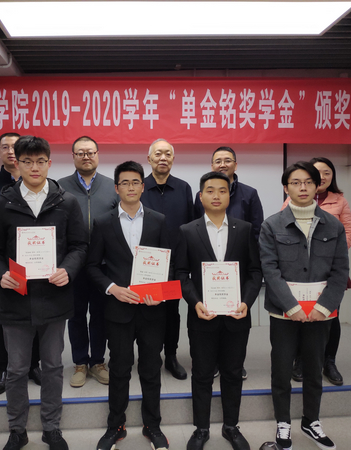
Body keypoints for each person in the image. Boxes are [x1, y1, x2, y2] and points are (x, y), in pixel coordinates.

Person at [0, 136, 88, 450]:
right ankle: (17, 429)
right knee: (16, 369)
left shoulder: (66, 202)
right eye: (27, 161)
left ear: (49, 163)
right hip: (16, 298)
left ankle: (51, 427)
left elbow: (80, 245)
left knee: (53, 367)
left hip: (54, 298)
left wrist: (68, 269)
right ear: (18, 163)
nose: (34, 167)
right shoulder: (2, 204)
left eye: (41, 161)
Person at [259, 161, 349, 450]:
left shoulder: (333, 225)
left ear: (317, 186)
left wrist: (324, 307)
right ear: (286, 188)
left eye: (309, 182)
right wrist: (291, 306)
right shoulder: (271, 225)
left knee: (313, 367)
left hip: (320, 313)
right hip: (284, 312)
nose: (303, 187)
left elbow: (340, 271)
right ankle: (283, 422)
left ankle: (311, 421)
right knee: (281, 368)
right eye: (296, 183)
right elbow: (269, 269)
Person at [87, 161, 171, 450]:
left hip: (152, 310)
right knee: (120, 369)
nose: (131, 187)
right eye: (125, 182)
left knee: (151, 369)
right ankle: (115, 426)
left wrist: (161, 293)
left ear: (143, 186)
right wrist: (112, 288)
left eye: (136, 182)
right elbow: (92, 266)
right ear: (116, 188)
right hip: (118, 310)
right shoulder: (103, 222)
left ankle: (153, 425)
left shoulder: (159, 220)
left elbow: (170, 264)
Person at [176, 171, 262, 450]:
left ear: (229, 196)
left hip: (237, 316)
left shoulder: (245, 229)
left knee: (233, 373)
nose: (216, 195)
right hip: (202, 316)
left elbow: (254, 271)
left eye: (222, 190)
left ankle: (231, 427)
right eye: (210, 191)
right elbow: (181, 274)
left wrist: (246, 302)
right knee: (201, 374)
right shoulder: (187, 230)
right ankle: (201, 429)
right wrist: (195, 302)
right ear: (201, 197)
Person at [0, 132, 41, 395]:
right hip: (4, 270)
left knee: (36, 316)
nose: (11, 151)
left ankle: (33, 365)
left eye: (15, 147)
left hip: (36, 266)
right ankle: (3, 368)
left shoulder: (38, 181)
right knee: (2, 318)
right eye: (5, 147)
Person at [283, 157, 351, 386]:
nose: (322, 177)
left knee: (330, 317)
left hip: (329, 270)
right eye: (317, 173)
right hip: (299, 273)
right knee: (300, 317)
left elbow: (348, 231)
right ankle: (300, 360)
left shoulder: (339, 200)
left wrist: (329, 255)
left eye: (327, 173)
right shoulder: (291, 199)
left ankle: (329, 361)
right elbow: (282, 234)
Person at [58, 136, 117, 388]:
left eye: (90, 152)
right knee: (76, 315)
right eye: (80, 153)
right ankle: (80, 363)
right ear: (73, 156)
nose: (86, 156)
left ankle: (98, 362)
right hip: (73, 265)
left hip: (103, 265)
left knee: (101, 315)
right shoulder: (59, 187)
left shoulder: (111, 186)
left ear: (97, 155)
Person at [141, 138, 194, 381]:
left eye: (168, 154)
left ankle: (171, 356)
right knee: (147, 311)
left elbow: (190, 226)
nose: (163, 158)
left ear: (173, 159)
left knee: (172, 313)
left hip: (175, 263)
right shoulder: (140, 187)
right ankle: (149, 356)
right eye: (158, 154)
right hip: (146, 264)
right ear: (149, 158)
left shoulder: (183, 188)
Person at [194, 147, 264, 242]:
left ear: (235, 166)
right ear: (212, 167)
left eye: (227, 161)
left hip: (240, 247)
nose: (223, 165)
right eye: (218, 162)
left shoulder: (250, 194)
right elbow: (196, 227)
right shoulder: (202, 195)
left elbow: (257, 230)